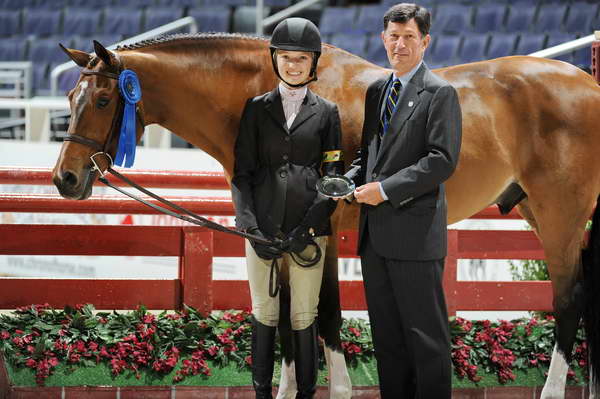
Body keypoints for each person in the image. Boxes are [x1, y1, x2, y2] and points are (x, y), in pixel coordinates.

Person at [352, 3, 462, 398]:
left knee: (426, 340)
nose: (400, 45)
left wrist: (383, 190)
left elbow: (441, 161)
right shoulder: (377, 90)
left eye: (409, 37)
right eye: (393, 37)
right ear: (383, 39)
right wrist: (348, 179)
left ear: (425, 41)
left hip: (415, 235)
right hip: (375, 237)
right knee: (388, 339)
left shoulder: (440, 92)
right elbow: (370, 154)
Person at [231, 17, 344, 399]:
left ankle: (307, 394)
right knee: (263, 313)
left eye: (301, 59)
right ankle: (262, 393)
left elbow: (332, 176)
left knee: (303, 316)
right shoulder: (256, 109)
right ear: (274, 59)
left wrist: (309, 226)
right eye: (286, 57)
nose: (293, 65)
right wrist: (250, 228)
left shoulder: (327, 113)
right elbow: (241, 175)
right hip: (260, 230)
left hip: (308, 233)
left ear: (313, 64)